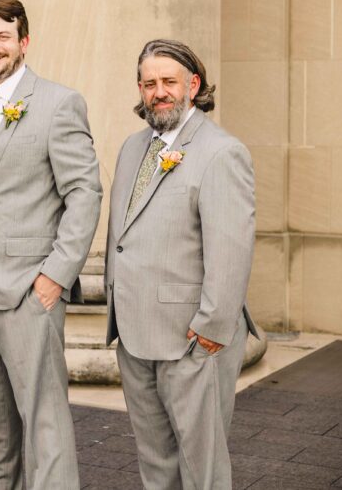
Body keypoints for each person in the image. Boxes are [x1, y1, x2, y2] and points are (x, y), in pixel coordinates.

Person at [0, 0, 101, 488]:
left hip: (28, 291)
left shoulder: (58, 102)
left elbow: (84, 192)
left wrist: (56, 274)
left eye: (2, 37)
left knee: (45, 426)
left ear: (23, 41)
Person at [106, 38, 258, 489]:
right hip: (134, 333)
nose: (159, 92)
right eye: (149, 83)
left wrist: (212, 326)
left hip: (192, 337)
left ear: (193, 84)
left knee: (201, 467)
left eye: (169, 81)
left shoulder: (221, 151)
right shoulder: (133, 148)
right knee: (156, 462)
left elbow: (231, 247)